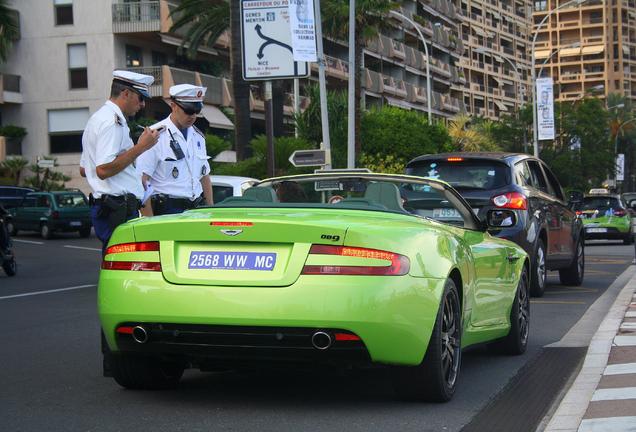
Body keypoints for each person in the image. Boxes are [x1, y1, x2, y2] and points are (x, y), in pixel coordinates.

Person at [80, 70, 160, 252]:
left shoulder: (99, 118)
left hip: (113, 207)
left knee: (115, 264)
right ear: (126, 93)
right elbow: (103, 170)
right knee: (122, 267)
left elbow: (85, 169)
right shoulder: (112, 122)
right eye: (140, 98)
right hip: (116, 209)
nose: (142, 104)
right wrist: (141, 147)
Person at [136, 84, 213, 215]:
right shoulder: (154, 136)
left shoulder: (198, 137)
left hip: (196, 210)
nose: (193, 116)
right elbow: (142, 181)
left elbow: (204, 176)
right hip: (167, 211)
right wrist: (148, 222)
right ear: (173, 106)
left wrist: (211, 212)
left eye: (196, 111)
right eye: (188, 111)